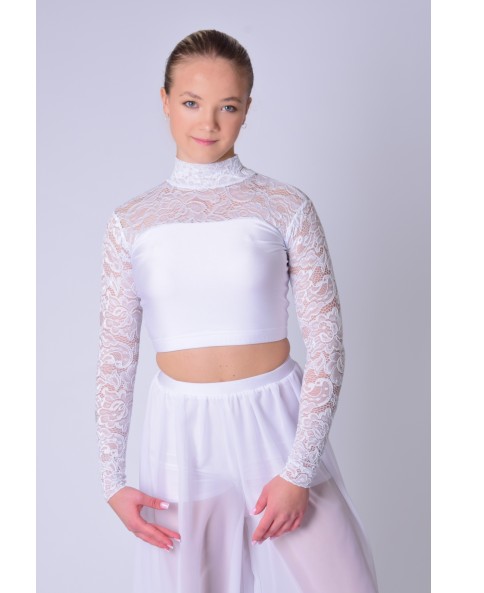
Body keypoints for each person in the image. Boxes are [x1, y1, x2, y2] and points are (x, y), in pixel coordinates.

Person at [95, 28, 379, 593]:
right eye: (191, 103)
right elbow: (115, 356)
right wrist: (111, 479)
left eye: (227, 106)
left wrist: (298, 469)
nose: (208, 123)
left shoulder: (286, 206)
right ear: (165, 101)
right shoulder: (132, 222)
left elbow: (328, 342)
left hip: (277, 422)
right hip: (181, 435)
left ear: (247, 108)